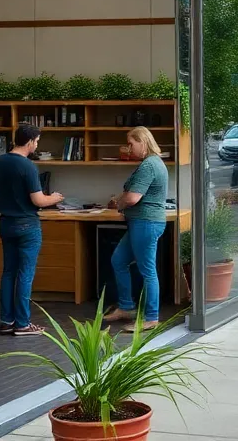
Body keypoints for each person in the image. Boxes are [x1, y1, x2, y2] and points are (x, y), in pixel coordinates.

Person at [0, 123, 63, 337]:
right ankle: (22, 323)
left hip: (5, 223)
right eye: (37, 141)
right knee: (25, 274)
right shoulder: (28, 166)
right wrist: (55, 198)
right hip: (27, 225)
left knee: (8, 272)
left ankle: (6, 321)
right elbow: (38, 200)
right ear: (30, 141)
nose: (37, 145)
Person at [103, 126, 170, 330]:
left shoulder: (149, 165)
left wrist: (119, 203)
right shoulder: (151, 163)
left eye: (131, 144)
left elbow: (132, 198)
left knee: (147, 270)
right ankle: (126, 306)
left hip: (146, 223)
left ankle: (151, 317)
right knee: (119, 260)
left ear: (143, 141)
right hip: (140, 223)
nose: (129, 149)